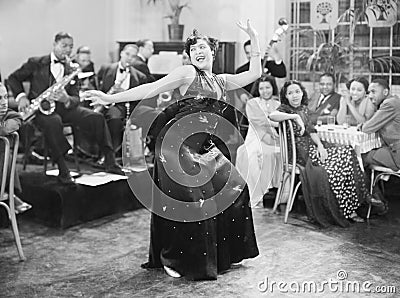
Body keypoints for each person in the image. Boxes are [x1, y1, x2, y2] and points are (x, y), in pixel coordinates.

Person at [83, 20, 261, 280]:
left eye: (203, 47)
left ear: (213, 51)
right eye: (193, 49)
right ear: (188, 56)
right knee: (196, 202)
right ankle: (176, 258)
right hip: (176, 146)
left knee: (235, 187)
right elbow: (150, 89)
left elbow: (254, 73)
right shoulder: (187, 74)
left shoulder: (222, 81)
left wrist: (254, 38)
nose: (198, 52)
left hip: (204, 147)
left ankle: (225, 254)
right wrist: (111, 98)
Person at [7, 32, 123, 184]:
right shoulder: (36, 62)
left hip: (65, 108)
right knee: (53, 123)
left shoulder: (72, 68)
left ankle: (110, 161)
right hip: (42, 110)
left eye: (71, 47)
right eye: (64, 46)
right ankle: (63, 169)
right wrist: (21, 97)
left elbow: (76, 98)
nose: (67, 50)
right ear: (54, 44)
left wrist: (67, 99)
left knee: (96, 117)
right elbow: (13, 78)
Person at [269, 80, 383, 227]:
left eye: (297, 91)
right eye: (290, 93)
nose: (294, 95)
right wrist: (294, 117)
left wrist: (321, 146)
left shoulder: (304, 109)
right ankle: (346, 209)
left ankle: (351, 207)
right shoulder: (284, 108)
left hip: (311, 147)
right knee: (334, 167)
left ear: (302, 93)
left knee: (347, 152)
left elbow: (311, 130)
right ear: (285, 96)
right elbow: (272, 116)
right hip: (299, 153)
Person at [235, 75, 281, 207]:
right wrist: (273, 123)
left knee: (277, 153)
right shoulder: (252, 103)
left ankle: (277, 189)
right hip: (256, 136)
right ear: (258, 90)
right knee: (252, 155)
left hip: (275, 137)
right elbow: (258, 122)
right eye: (262, 88)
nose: (265, 91)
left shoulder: (278, 104)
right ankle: (257, 193)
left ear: (273, 88)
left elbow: (279, 123)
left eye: (268, 87)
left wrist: (274, 126)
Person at [97, 44, 147, 151]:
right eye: (127, 54)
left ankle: (117, 152)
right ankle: (105, 152)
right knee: (109, 118)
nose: (129, 58)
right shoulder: (106, 68)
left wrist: (124, 93)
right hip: (109, 104)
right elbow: (99, 89)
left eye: (133, 56)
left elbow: (141, 98)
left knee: (116, 118)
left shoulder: (141, 76)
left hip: (129, 106)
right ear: (121, 53)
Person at [0, 83, 32, 213]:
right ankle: (11, 194)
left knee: (4, 150)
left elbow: (17, 119)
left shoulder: (7, 113)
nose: (3, 102)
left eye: (5, 97)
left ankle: (9, 192)